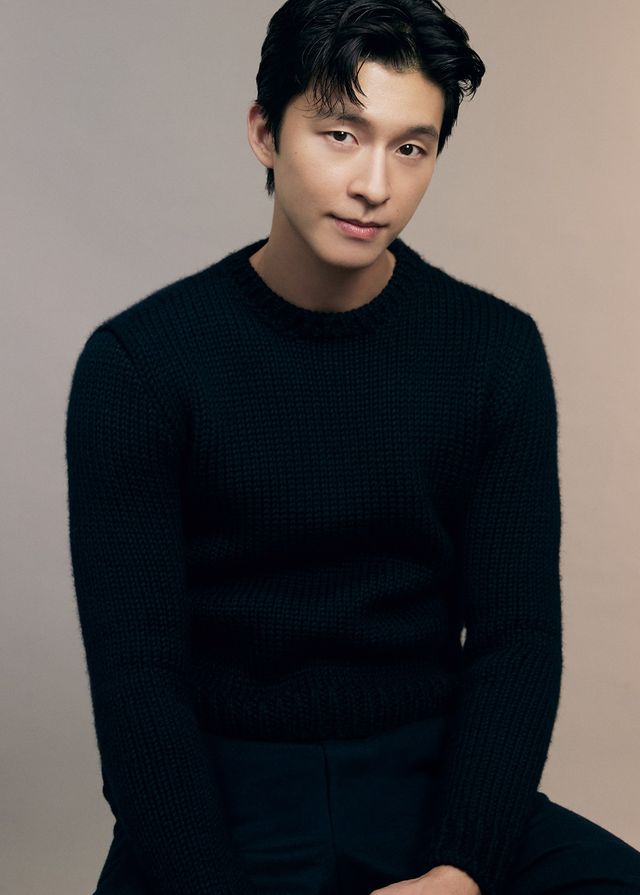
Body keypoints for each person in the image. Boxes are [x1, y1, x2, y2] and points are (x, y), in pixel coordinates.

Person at [64, 2, 640, 894]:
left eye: (411, 147)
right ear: (265, 132)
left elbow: (517, 640)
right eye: (341, 134)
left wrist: (460, 868)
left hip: (430, 781)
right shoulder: (141, 365)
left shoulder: (493, 353)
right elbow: (138, 681)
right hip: (222, 794)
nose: (375, 183)